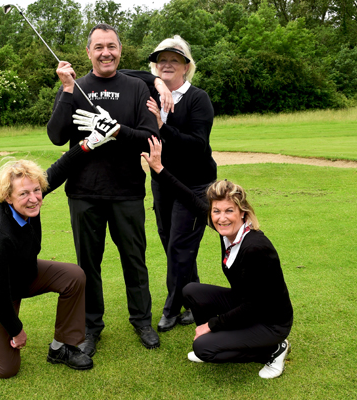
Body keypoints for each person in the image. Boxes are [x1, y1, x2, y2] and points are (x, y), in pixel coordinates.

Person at [0, 132, 115, 378]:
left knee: (74, 275)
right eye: (24, 194)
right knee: (6, 368)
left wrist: (86, 144)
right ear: (7, 196)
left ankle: (62, 347)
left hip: (22, 274)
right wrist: (17, 331)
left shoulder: (31, 198)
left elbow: (59, 170)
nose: (34, 199)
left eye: (36, 190)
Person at [46, 23, 161, 356]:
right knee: (88, 265)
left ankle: (141, 320)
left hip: (127, 191)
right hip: (83, 192)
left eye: (111, 46)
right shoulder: (75, 87)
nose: (106, 52)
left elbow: (151, 136)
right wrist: (67, 91)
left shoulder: (137, 88)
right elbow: (56, 135)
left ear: (120, 50)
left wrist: (118, 130)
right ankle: (92, 326)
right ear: (88, 52)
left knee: (134, 260)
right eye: (98, 47)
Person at [142, 136, 294, 379]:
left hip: (269, 320)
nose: (222, 217)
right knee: (191, 290)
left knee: (203, 348)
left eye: (229, 211)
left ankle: (273, 349)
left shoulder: (255, 247)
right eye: (217, 211)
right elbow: (189, 198)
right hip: (246, 305)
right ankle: (229, 339)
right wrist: (159, 169)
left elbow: (254, 306)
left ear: (243, 213)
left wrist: (211, 325)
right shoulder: (224, 228)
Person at [122, 36, 217, 332]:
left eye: (174, 60)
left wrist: (164, 128)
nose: (167, 64)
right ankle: (197, 302)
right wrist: (157, 83)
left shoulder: (197, 98)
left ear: (186, 67)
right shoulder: (152, 90)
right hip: (162, 180)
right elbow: (119, 75)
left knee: (179, 247)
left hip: (195, 184)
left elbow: (198, 145)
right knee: (173, 243)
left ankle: (172, 310)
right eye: (161, 60)